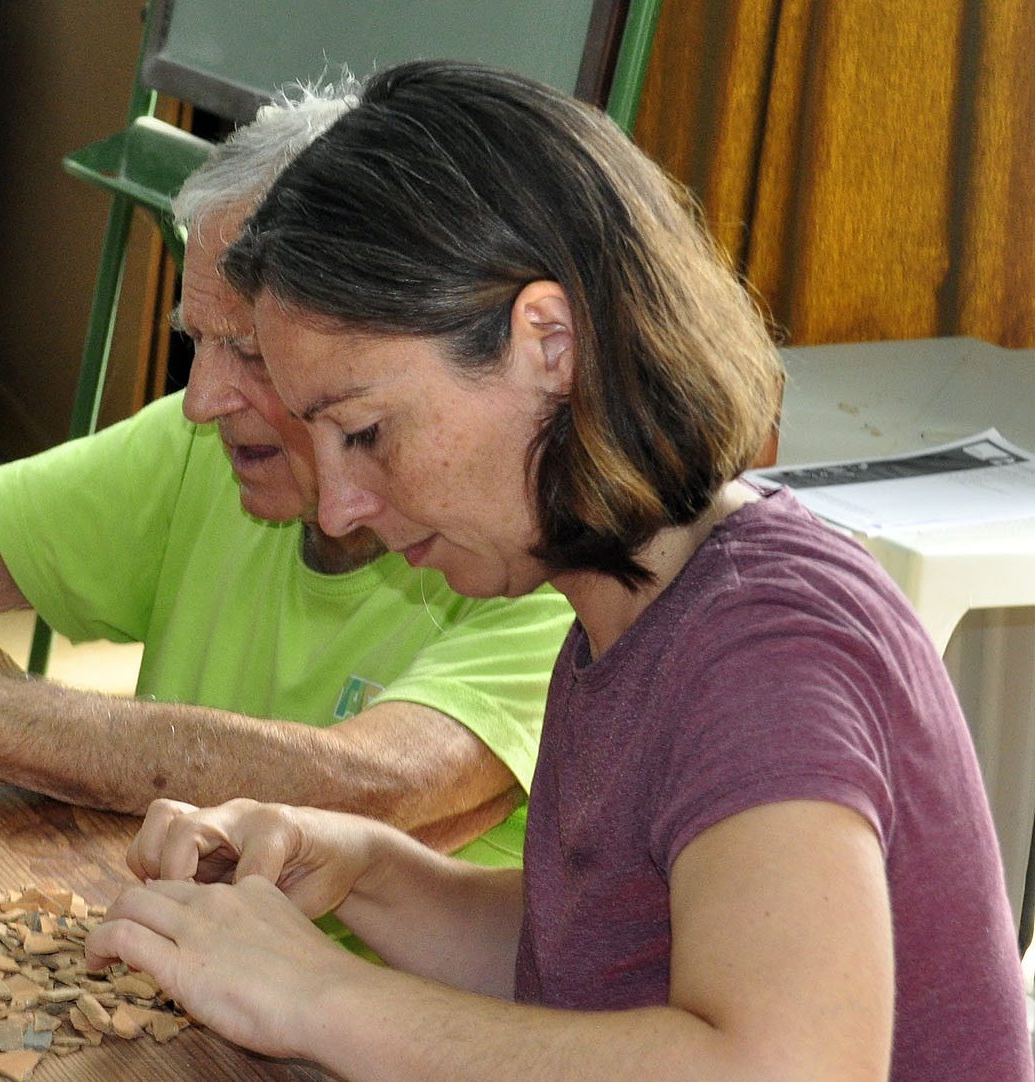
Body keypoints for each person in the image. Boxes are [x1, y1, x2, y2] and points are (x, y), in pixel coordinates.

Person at [84, 60, 1034, 1080]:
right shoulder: (623, 611)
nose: (342, 499)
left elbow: (787, 1062)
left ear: (551, 342)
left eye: (364, 431)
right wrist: (365, 870)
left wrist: (322, 995)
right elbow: (592, 968)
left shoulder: (769, 645)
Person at [0, 81, 573, 863]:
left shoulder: (525, 535)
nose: (203, 399)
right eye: (197, 342)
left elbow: (376, 784)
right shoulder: (212, 442)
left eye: (250, 351)